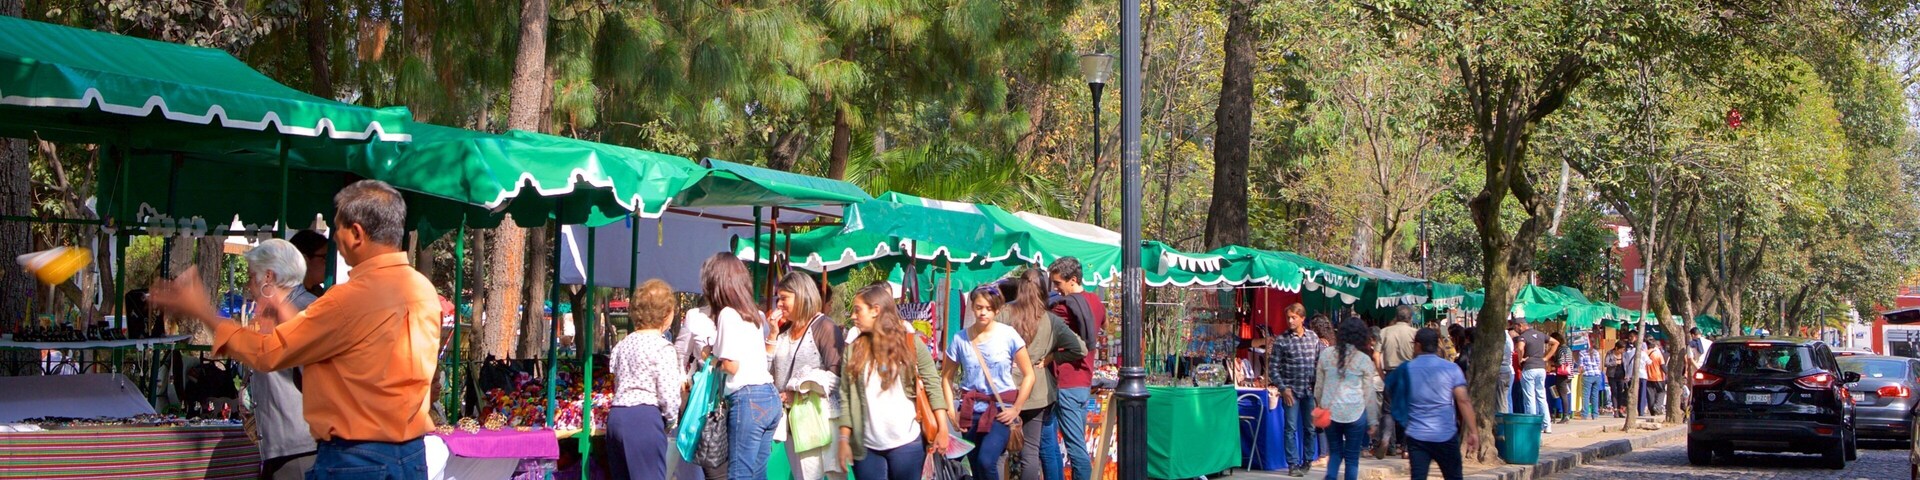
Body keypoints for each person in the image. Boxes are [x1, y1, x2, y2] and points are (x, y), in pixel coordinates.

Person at [149, 180, 438, 479]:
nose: (336, 240)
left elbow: (266, 354)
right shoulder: (423, 291)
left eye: (337, 230)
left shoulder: (349, 300)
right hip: (410, 454)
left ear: (356, 233)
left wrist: (201, 311)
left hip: (357, 457)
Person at [837, 284, 952, 480]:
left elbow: (933, 385)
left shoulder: (911, 344)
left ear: (876, 310)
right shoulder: (852, 350)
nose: (853, 316)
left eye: (858, 310)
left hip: (907, 444)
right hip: (866, 447)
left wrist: (943, 428)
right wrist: (844, 438)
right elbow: (846, 397)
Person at [695, 253, 782, 480]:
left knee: (739, 475)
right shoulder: (754, 314)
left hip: (747, 398)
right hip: (769, 397)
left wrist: (709, 356)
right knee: (756, 474)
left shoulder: (727, 314)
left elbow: (731, 365)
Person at [238, 239, 318, 480]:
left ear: (268, 278)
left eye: (252, 277)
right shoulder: (281, 313)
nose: (249, 285)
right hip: (286, 449)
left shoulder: (302, 313)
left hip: (301, 450)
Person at [999, 278, 1085, 480]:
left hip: (1006, 386)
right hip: (1037, 390)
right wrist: (1053, 356)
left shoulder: (1004, 314)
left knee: (1000, 448)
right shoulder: (1050, 320)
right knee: (1030, 451)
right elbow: (1079, 348)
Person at [946, 285, 1035, 480]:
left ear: (997, 309)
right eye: (979, 307)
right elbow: (946, 377)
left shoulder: (1008, 335)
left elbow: (1029, 375)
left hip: (1000, 409)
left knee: (986, 461)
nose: (983, 312)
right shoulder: (960, 339)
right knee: (976, 466)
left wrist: (1016, 409)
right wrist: (951, 412)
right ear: (972, 307)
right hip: (970, 411)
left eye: (988, 308)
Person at [607, 280, 687, 480]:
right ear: (667, 314)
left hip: (617, 416)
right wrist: (670, 421)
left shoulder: (622, 344)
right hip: (644, 419)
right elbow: (669, 395)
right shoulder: (663, 348)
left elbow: (615, 376)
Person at [770, 273, 845, 480]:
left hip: (819, 420)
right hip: (792, 422)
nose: (780, 304)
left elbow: (836, 377)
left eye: (784, 298)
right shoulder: (783, 332)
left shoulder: (824, 327)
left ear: (802, 296)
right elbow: (770, 372)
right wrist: (772, 334)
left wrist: (800, 391)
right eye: (779, 298)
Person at [1391, 329, 1480, 480]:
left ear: (1418, 345)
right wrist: (1473, 431)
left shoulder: (1406, 369)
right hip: (1445, 434)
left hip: (1417, 435)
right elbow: (1463, 400)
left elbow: (1397, 400)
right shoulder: (1452, 368)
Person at [1047, 257, 1102, 480]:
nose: (1056, 289)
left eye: (1059, 283)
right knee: (1077, 442)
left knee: (1076, 448)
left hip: (1066, 382)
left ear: (1073, 280)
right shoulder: (1096, 302)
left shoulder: (1063, 309)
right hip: (1083, 381)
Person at [1317, 316, 1380, 480]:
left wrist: (1319, 406)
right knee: (1352, 459)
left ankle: (1330, 477)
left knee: (1335, 452)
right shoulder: (1364, 360)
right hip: (1355, 414)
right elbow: (1369, 394)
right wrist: (1373, 421)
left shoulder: (1326, 354)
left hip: (1329, 413)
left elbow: (1318, 387)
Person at [1266, 303, 1321, 477]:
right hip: (1291, 391)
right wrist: (1283, 389)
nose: (1290, 321)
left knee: (1310, 428)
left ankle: (1308, 460)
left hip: (1310, 391)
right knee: (1290, 428)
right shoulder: (1282, 340)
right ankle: (1292, 464)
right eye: (1288, 317)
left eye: (1293, 317)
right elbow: (1273, 368)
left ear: (1302, 319)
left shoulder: (1313, 338)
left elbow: (1320, 364)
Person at [1376, 306, 1419, 459]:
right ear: (1410, 318)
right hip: (1409, 374)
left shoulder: (1385, 331)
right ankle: (1406, 448)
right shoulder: (1415, 333)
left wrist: (1382, 374)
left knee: (1388, 411)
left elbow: (1376, 355)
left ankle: (1388, 440)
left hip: (1391, 373)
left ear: (1397, 316)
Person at [1514, 319, 1556, 433]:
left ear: (1521, 326)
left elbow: (1520, 348)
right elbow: (1556, 342)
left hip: (1529, 368)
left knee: (1529, 398)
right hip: (1541, 368)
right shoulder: (1540, 334)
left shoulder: (1522, 337)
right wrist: (1546, 358)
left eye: (1516, 327)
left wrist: (1520, 359)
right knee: (1541, 397)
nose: (1515, 329)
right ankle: (1547, 425)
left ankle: (1532, 426)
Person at [288, 230, 330, 298]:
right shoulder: (292, 297)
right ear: (305, 260)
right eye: (324, 257)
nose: (329, 264)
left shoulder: (318, 291)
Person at [1604, 334, 1629, 418]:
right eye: (1621, 349)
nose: (1622, 351)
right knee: (1614, 392)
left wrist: (1627, 375)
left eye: (1623, 349)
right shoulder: (1610, 353)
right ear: (1616, 348)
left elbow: (1627, 365)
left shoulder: (1624, 355)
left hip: (1621, 375)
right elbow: (1606, 363)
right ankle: (1615, 410)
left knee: (1620, 392)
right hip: (1612, 375)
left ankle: (1619, 409)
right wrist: (1615, 363)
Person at [1644, 340, 1667, 416]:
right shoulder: (1658, 354)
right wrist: (1668, 374)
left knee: (1650, 394)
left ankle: (1652, 411)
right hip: (1658, 377)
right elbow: (1663, 366)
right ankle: (1657, 406)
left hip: (1647, 377)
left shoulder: (1644, 353)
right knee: (1661, 391)